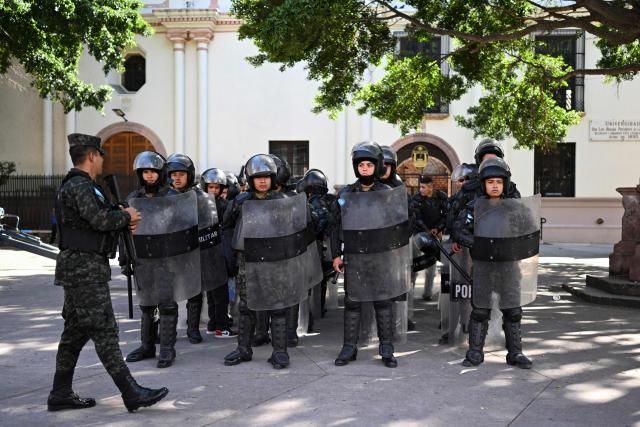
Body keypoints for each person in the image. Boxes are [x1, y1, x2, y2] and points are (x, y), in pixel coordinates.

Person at [49, 133, 168, 412]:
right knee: (104, 330)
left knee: (75, 333)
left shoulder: (88, 187)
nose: (103, 160)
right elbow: (99, 220)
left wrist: (121, 216)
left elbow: (96, 220)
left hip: (84, 266)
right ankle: (131, 391)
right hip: (83, 269)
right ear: (91, 155)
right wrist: (128, 216)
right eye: (100, 155)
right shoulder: (80, 186)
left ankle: (60, 392)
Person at [332, 141, 411, 368]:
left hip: (381, 256)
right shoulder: (346, 194)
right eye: (361, 165)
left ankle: (386, 346)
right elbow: (335, 226)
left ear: (376, 167)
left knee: (383, 301)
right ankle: (349, 347)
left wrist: (396, 255)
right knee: (353, 302)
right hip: (355, 256)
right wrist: (337, 254)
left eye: (369, 164)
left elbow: (400, 227)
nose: (364, 169)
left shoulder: (388, 193)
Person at [452, 157, 533, 369]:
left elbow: (530, 229)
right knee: (480, 310)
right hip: (483, 266)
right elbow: (459, 230)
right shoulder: (474, 207)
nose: (495, 185)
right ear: (483, 184)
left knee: (513, 311)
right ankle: (475, 353)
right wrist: (477, 244)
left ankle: (515, 353)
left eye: (498, 181)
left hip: (509, 266)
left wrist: (517, 244)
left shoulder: (515, 208)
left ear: (505, 183)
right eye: (490, 182)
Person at [222, 155, 291, 369]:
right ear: (251, 179)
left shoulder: (282, 202)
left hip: (275, 260)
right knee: (246, 306)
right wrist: (230, 255)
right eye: (257, 177)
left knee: (278, 306)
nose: (262, 181)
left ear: (273, 178)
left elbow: (293, 231)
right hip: (248, 260)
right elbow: (227, 226)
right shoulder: (241, 202)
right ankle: (243, 349)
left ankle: (279, 352)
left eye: (266, 177)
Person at [123, 151, 174, 365]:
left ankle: (167, 349)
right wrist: (126, 258)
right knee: (146, 305)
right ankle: (147, 345)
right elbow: (126, 230)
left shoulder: (171, 197)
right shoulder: (134, 198)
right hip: (143, 256)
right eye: (145, 172)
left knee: (167, 304)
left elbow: (182, 226)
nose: (150, 176)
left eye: (153, 171)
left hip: (166, 256)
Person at [167, 154, 206, 346]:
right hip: (170, 251)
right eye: (173, 174)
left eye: (181, 173)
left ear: (189, 175)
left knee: (194, 292)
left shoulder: (199, 196)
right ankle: (167, 331)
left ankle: (193, 329)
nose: (176, 178)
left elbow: (208, 222)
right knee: (167, 293)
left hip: (192, 249)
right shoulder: (164, 196)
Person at [201, 167, 237, 338]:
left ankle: (214, 323)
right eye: (210, 187)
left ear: (222, 188)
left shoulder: (225, 205)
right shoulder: (201, 206)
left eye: (216, 187)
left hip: (219, 253)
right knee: (218, 294)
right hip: (210, 253)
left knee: (216, 292)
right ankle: (220, 326)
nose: (213, 190)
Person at [410, 176, 447, 301]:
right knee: (415, 264)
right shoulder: (416, 198)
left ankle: (427, 293)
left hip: (436, 234)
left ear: (431, 187)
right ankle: (409, 292)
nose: (420, 189)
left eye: (423, 187)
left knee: (431, 265)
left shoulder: (441, 197)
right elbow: (417, 218)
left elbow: (446, 215)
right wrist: (429, 231)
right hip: (419, 234)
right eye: (420, 186)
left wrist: (438, 228)